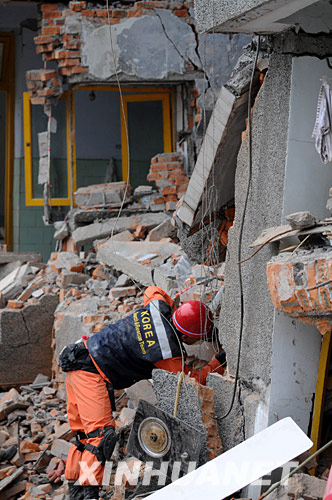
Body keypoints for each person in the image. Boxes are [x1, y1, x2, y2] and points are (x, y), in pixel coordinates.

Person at [51, 286, 226, 499]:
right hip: (91, 373)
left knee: (84, 436)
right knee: (101, 436)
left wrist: (171, 304)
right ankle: (88, 493)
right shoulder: (168, 354)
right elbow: (191, 381)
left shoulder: (157, 307)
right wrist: (218, 362)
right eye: (198, 339)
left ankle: (74, 486)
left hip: (78, 360)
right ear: (188, 337)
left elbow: (153, 289)